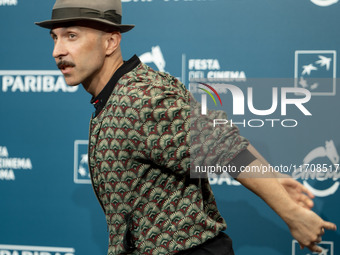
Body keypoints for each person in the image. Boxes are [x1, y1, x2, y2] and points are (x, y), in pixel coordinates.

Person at [36, 0, 337, 254]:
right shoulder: (120, 94)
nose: (57, 51)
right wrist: (271, 179)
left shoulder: (141, 96)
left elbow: (224, 147)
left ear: (111, 42)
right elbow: (209, 143)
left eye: (71, 36)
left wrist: (291, 213)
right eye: (55, 38)